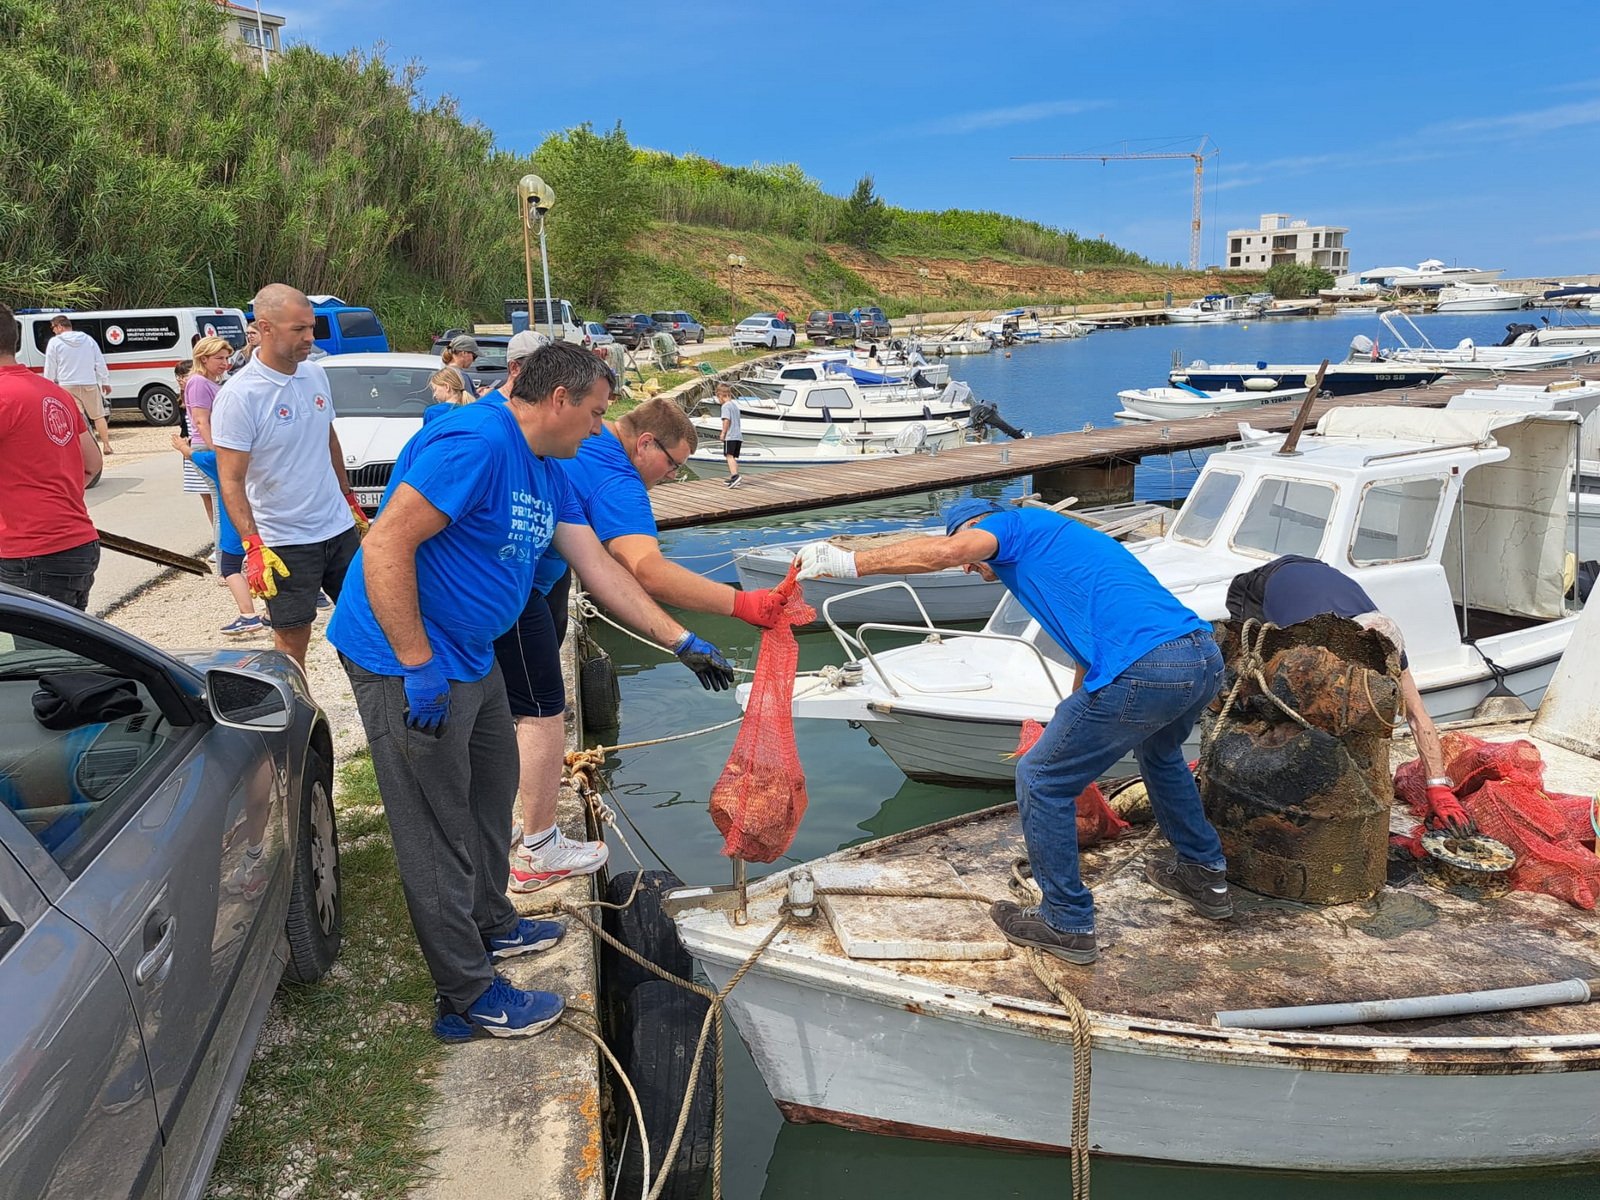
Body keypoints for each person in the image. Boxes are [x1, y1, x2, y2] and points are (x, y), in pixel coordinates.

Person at [326, 340, 734, 1041]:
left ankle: (491, 919)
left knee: (492, 788)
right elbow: (385, 544)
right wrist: (417, 663)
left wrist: (680, 640)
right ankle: (467, 997)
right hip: (407, 657)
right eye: (597, 413)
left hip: (471, 652)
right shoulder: (475, 445)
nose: (603, 429)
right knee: (436, 825)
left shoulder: (553, 464)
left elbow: (599, 569)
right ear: (559, 400)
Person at [795, 498, 1232, 965]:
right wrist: (1069, 715)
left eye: (968, 548)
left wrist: (847, 562)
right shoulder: (1062, 543)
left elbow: (943, 553)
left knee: (1041, 778)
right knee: (1161, 757)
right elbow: (1089, 648)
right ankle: (1205, 875)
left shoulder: (1013, 525)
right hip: (1200, 656)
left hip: (1147, 669)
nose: (966, 565)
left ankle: (1065, 921)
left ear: (978, 526)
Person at [504, 394, 782, 892]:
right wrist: (743, 607)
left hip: (530, 580)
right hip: (516, 593)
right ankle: (538, 848)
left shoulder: (578, 444)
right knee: (543, 714)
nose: (674, 476)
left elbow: (597, 566)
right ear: (646, 442)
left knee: (520, 711)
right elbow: (646, 571)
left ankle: (514, 821)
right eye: (673, 464)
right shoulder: (619, 481)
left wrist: (677, 639)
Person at [1226, 554, 1468, 832]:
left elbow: (1417, 716)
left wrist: (1438, 787)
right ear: (1351, 645)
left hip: (1318, 571)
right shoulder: (1309, 640)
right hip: (1260, 585)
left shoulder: (1387, 647)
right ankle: (1237, 754)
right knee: (1258, 681)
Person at [210, 284, 369, 667]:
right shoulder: (240, 396)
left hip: (337, 530)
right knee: (294, 640)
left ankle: (382, 712)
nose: (310, 338)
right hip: (284, 541)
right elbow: (230, 479)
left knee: (369, 625)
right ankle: (299, 717)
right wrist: (252, 544)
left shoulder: (315, 375)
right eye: (299, 330)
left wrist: (349, 501)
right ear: (265, 327)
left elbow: (328, 437)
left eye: (311, 328)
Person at [0, 302, 104, 609]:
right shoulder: (54, 392)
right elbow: (93, 464)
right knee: (71, 647)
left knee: (42, 656)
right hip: (76, 542)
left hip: (29, 551)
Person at [172, 434, 266, 635]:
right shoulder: (263, 456)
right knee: (267, 564)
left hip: (234, 524)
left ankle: (248, 615)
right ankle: (271, 613)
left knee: (230, 567)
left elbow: (192, 456)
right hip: (265, 523)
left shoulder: (218, 460)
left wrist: (181, 446)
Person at [183, 335, 234, 540]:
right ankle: (225, 563)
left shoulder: (210, 382)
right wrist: (216, 451)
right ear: (203, 358)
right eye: (219, 358)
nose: (225, 363)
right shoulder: (198, 382)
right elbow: (201, 420)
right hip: (207, 445)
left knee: (226, 504)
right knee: (221, 506)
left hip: (213, 444)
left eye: (226, 358)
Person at [41, 314, 113, 456]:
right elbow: (99, 361)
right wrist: (105, 381)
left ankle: (83, 448)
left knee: (77, 418)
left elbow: (50, 366)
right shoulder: (88, 339)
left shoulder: (55, 343)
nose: (53, 331)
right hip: (89, 383)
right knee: (98, 415)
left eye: (53, 327)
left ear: (60, 327)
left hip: (67, 385)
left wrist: (48, 385)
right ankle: (106, 445)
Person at [718, 381, 743, 488]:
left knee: (729, 456)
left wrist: (723, 433)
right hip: (738, 436)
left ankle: (735, 476)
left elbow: (726, 420)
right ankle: (735, 477)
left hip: (730, 435)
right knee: (732, 457)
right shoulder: (734, 406)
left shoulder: (725, 407)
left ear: (720, 396)